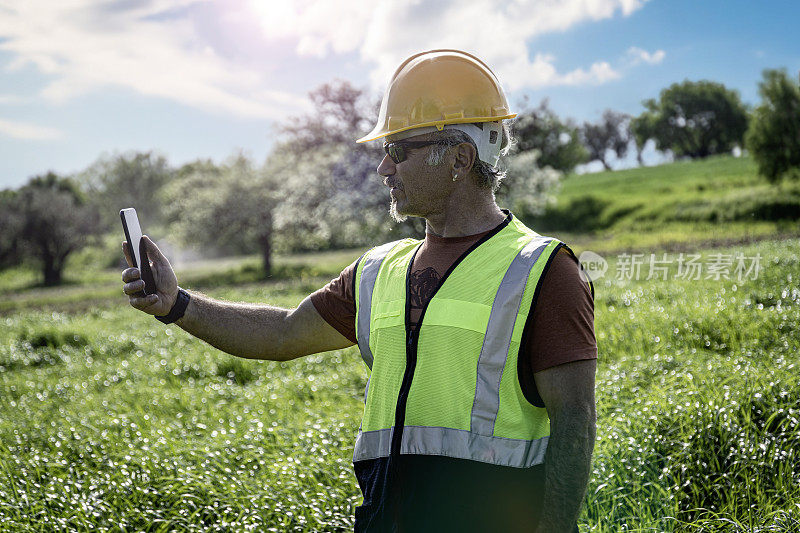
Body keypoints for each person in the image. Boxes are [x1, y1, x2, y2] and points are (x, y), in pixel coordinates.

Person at [122, 49, 596, 533]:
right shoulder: (377, 270)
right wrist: (178, 305)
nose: (383, 170)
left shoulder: (543, 270)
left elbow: (575, 420)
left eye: (398, 151)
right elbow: (284, 334)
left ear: (460, 158)